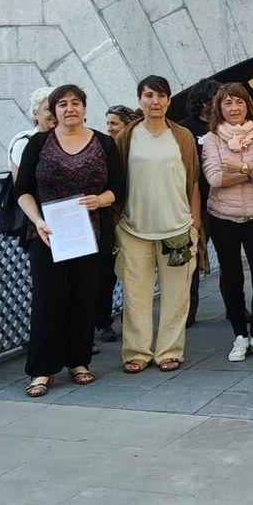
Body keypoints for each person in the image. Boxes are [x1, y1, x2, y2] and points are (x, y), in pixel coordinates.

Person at [14, 85, 124, 397]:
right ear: (54, 111)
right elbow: (21, 189)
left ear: (85, 109)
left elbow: (119, 186)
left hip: (90, 234)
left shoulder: (103, 143)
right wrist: (37, 221)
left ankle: (79, 362)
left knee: (83, 297)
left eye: (76, 103)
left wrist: (100, 200)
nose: (69, 108)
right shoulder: (38, 143)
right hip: (47, 235)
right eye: (62, 104)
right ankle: (42, 369)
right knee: (47, 300)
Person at [114, 75, 202, 374]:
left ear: (169, 99)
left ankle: (169, 350)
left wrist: (194, 223)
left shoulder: (183, 136)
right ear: (140, 99)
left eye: (161, 96)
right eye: (149, 95)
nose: (156, 102)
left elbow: (193, 181)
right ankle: (136, 352)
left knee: (176, 295)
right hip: (133, 227)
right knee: (135, 294)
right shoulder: (126, 137)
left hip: (176, 227)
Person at [203, 82, 253, 363]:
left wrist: (239, 168)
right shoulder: (211, 139)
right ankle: (239, 334)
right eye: (227, 103)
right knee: (232, 278)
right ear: (219, 108)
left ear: (248, 105)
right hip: (223, 217)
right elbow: (215, 178)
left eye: (239, 102)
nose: (234, 108)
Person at [94, 105, 141, 344]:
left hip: (135, 218)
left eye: (114, 123)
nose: (110, 128)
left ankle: (130, 321)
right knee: (106, 273)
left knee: (134, 274)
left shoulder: (135, 148)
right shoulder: (102, 147)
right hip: (111, 219)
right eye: (108, 123)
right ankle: (103, 321)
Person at [179, 78, 221, 328]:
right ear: (206, 101)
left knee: (228, 259)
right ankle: (187, 312)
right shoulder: (185, 130)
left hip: (223, 200)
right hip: (195, 203)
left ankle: (234, 309)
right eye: (218, 98)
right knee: (191, 260)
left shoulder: (225, 128)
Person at [8, 86, 55, 181]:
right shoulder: (24, 142)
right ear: (35, 114)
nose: (54, 113)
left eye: (57, 108)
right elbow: (20, 185)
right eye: (48, 109)